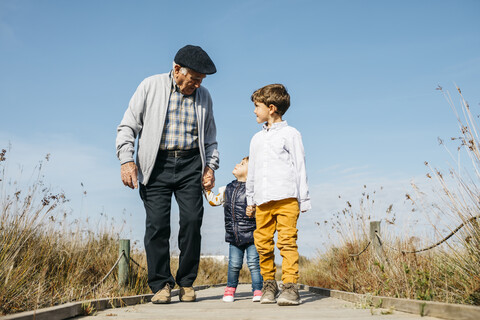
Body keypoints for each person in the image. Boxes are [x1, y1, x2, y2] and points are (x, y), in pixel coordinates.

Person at [115, 45, 219, 304]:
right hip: (156, 165)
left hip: (190, 165)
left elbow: (210, 139)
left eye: (200, 81)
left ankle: (186, 283)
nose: (197, 85)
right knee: (157, 225)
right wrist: (126, 159)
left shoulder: (204, 96)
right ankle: (161, 284)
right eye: (193, 79)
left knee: (193, 222)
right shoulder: (150, 86)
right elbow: (128, 126)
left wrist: (210, 167)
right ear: (177, 70)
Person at [246, 84, 311, 306]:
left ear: (271, 108)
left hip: (287, 199)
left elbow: (300, 166)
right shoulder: (256, 139)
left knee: (287, 242)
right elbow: (252, 172)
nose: (255, 111)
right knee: (263, 244)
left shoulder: (291, 134)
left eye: (257, 106)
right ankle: (269, 285)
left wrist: (304, 198)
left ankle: (290, 287)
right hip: (262, 201)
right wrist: (250, 199)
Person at [205, 156, 263, 302]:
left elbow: (263, 210)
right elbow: (215, 201)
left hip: (252, 235)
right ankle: (230, 290)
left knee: (254, 264)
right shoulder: (227, 188)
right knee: (234, 265)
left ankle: (258, 290)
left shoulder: (256, 190)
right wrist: (206, 190)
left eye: (242, 164)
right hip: (234, 235)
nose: (237, 164)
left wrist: (255, 210)